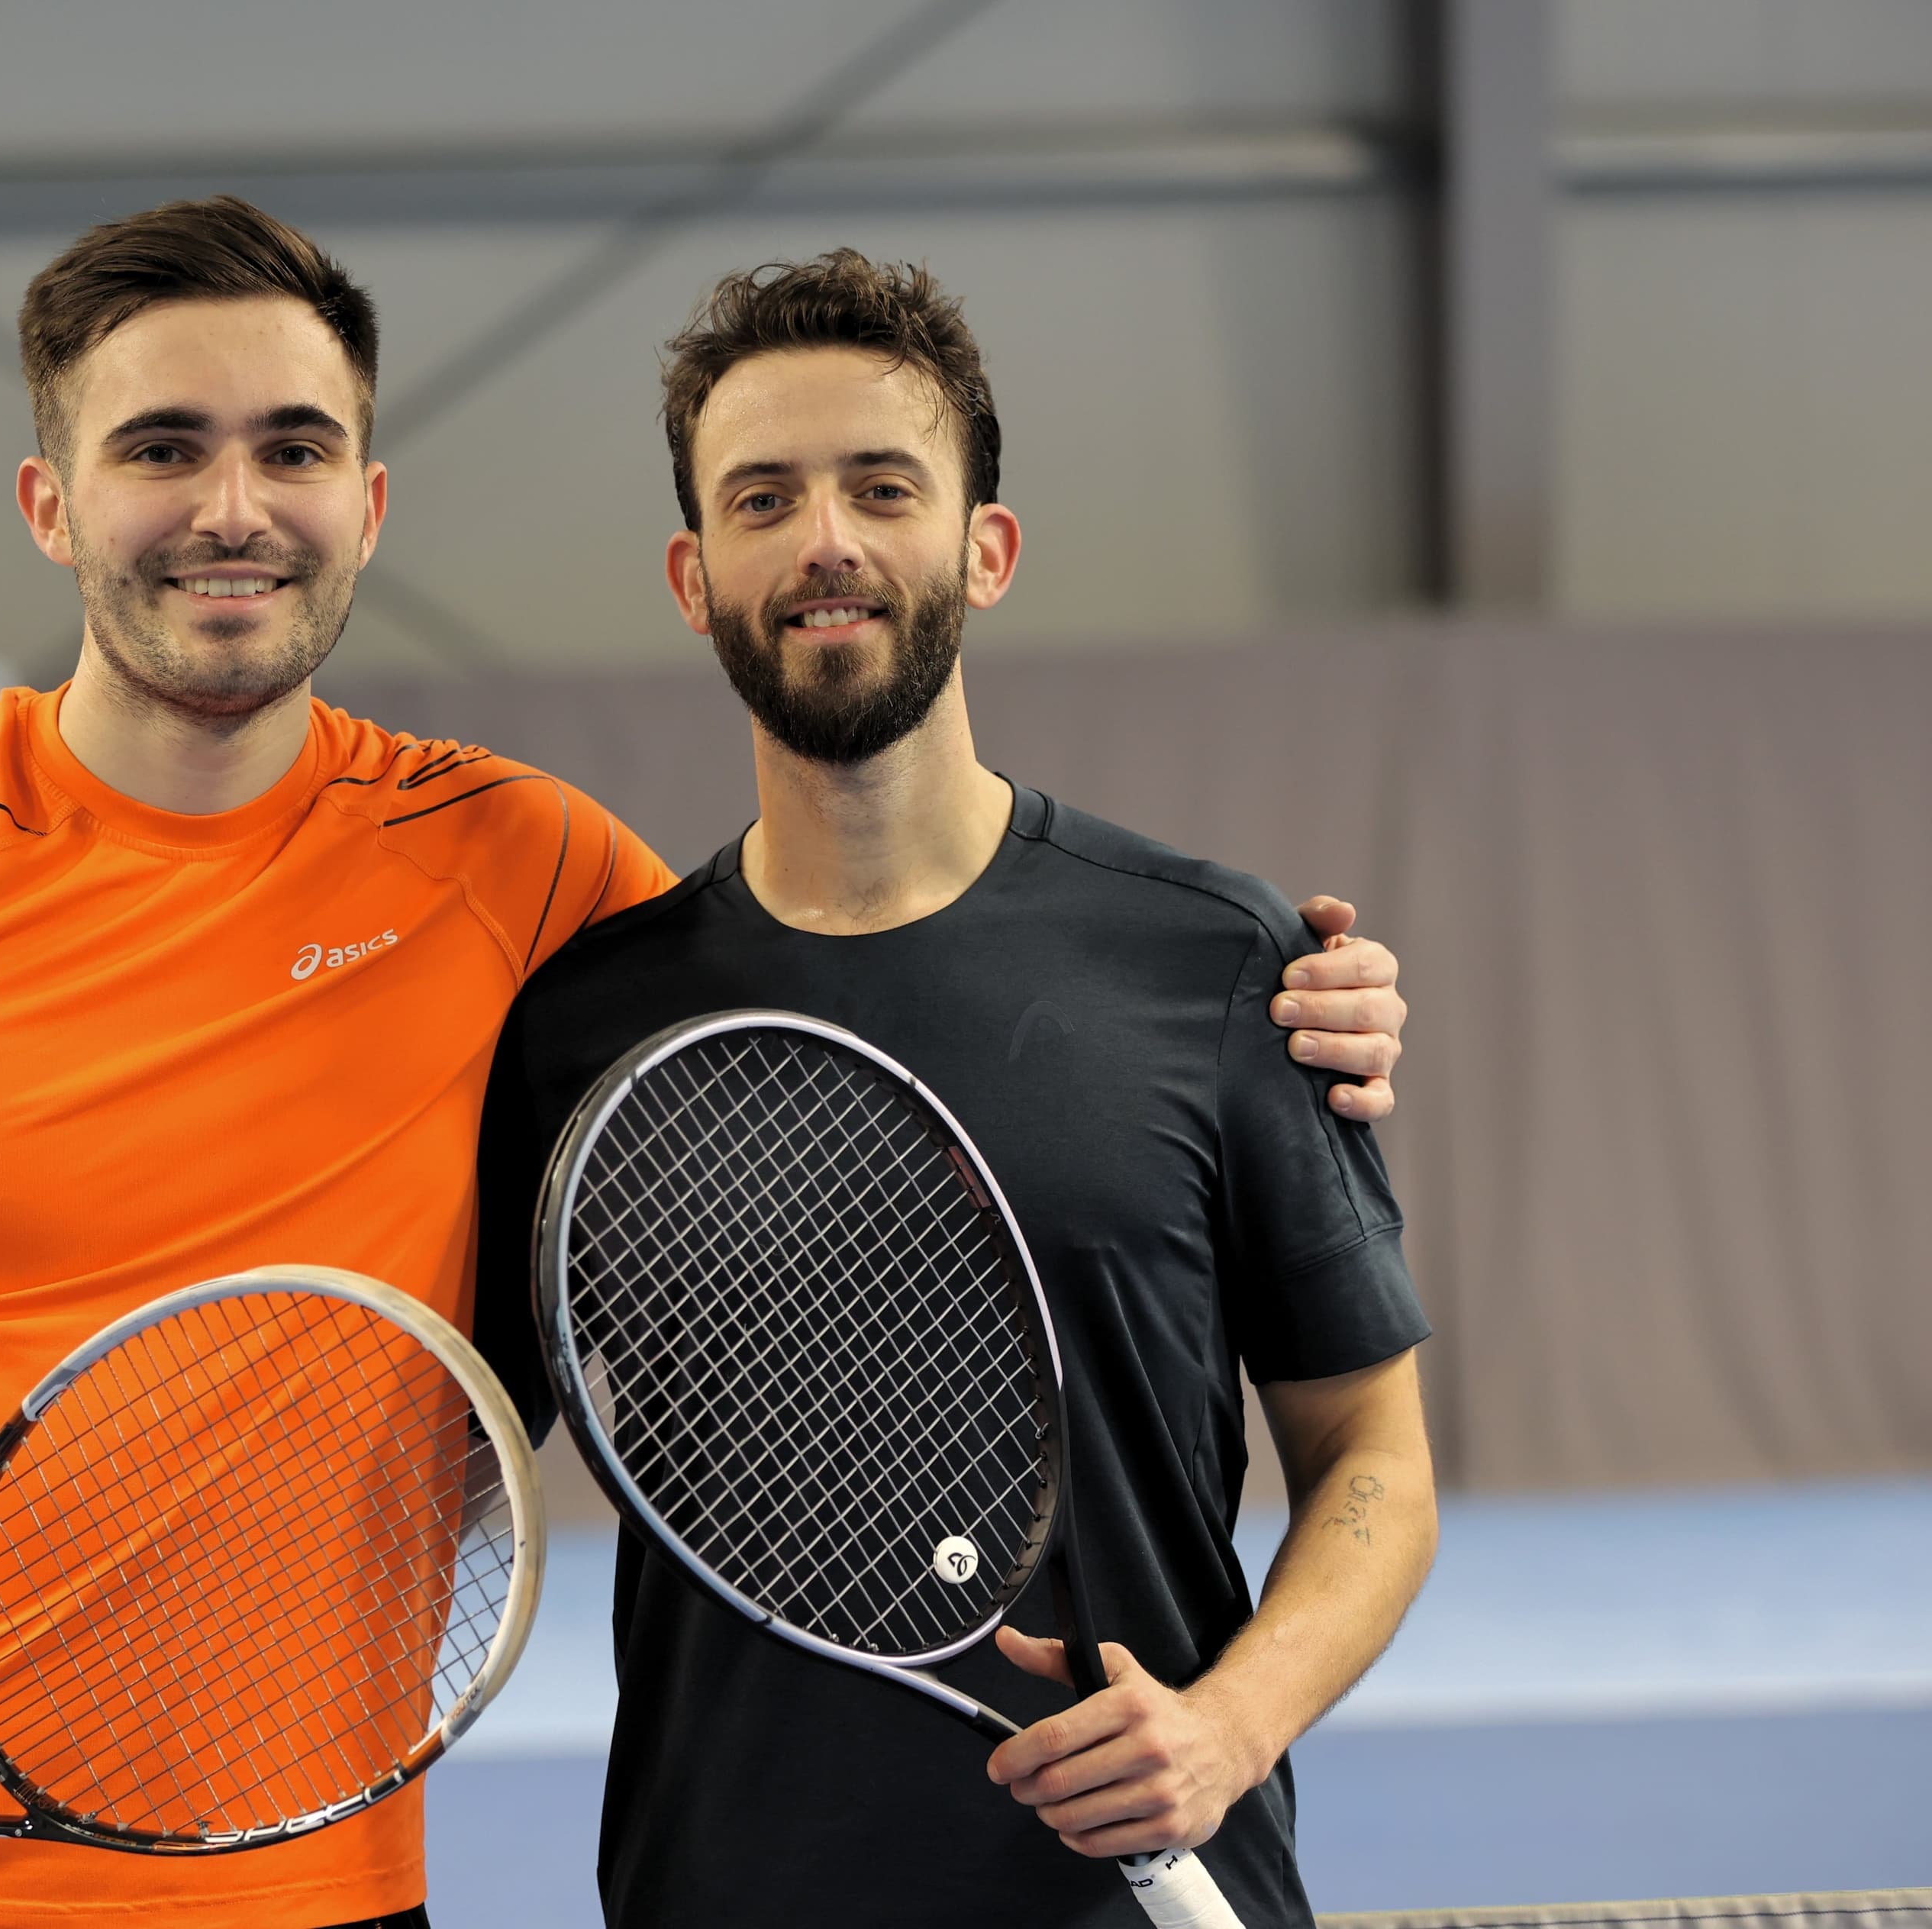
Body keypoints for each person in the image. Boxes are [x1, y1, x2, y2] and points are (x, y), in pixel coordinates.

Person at [0, 198, 1409, 1929]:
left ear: (367, 504)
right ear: (50, 502)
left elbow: (852, 1015)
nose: (230, 505)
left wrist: (1298, 1003)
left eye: (293, 446)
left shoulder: (520, 875)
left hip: (328, 1886)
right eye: (159, 447)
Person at [466, 250, 1438, 1927]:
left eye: (883, 486)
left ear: (983, 548)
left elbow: (1376, 1458)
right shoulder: (578, 1030)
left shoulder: (1222, 963)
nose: (826, 539)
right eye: (763, 496)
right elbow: (439, 1471)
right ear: (695, 577)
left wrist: (1223, 1729)